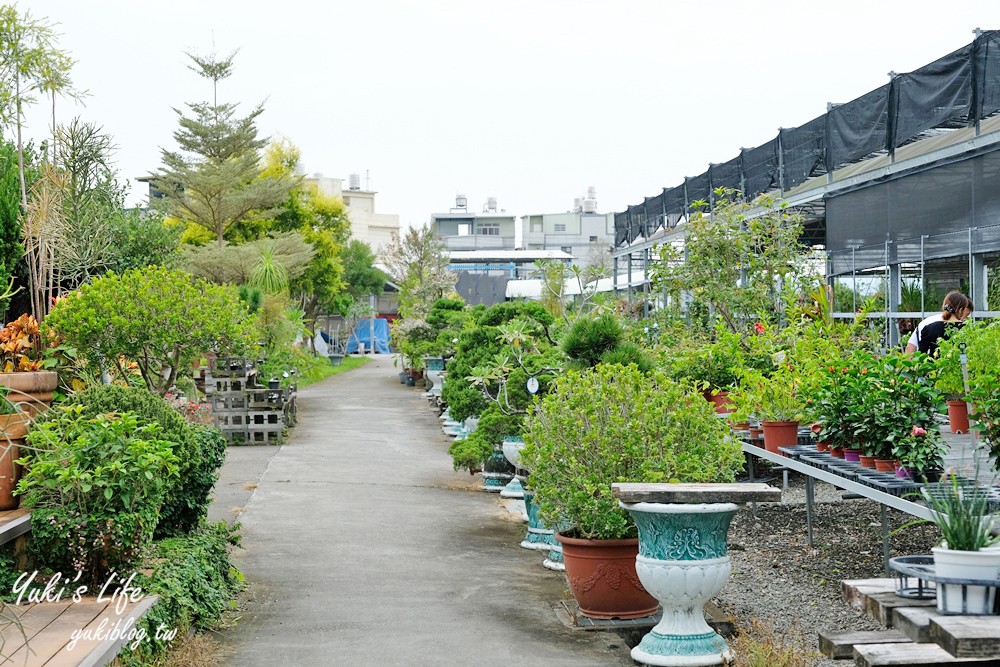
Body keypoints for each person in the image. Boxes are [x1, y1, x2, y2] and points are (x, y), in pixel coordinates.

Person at [904, 290, 972, 356]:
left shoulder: (929, 328)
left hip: (933, 366)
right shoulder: (967, 330)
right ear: (960, 310)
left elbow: (921, 355)